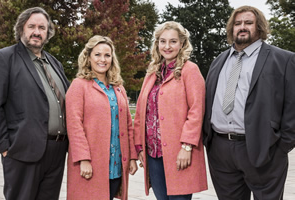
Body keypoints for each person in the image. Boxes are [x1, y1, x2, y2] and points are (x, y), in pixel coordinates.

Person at [203, 6, 295, 200]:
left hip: (264, 150)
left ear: (259, 27)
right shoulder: (219, 61)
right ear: (231, 29)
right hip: (221, 151)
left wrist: (282, 146)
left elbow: (292, 106)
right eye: (237, 24)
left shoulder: (284, 60)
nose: (242, 27)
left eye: (248, 23)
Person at [0, 7, 69, 200]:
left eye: (42, 28)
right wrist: (3, 145)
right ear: (21, 29)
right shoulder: (4, 58)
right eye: (32, 26)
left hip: (57, 151)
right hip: (22, 150)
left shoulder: (55, 64)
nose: (37, 31)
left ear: (47, 33)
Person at [134, 21, 207, 200]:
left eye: (173, 41)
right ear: (157, 43)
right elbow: (141, 112)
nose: (167, 46)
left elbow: (196, 111)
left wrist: (187, 146)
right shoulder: (152, 72)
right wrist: (139, 147)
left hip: (179, 153)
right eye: (163, 41)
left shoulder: (190, 70)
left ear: (182, 43)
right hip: (153, 154)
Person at [66, 35, 138, 200]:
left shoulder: (118, 88)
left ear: (112, 58)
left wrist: (132, 157)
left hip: (115, 166)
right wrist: (83, 159)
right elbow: (74, 125)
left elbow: (128, 125)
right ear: (88, 56)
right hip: (91, 164)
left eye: (107, 55)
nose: (102, 59)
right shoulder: (79, 85)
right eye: (97, 54)